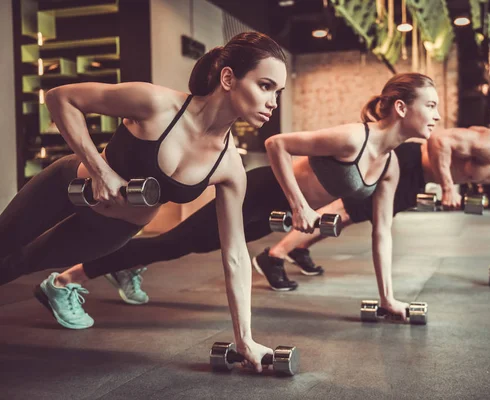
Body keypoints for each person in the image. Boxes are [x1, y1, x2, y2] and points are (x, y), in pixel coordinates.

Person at [50, 72, 441, 322]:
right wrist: (299, 204)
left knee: (185, 246)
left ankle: (123, 267)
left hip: (277, 212)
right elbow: (278, 143)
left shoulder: (389, 165)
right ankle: (66, 279)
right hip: (257, 192)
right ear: (402, 107)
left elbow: (383, 233)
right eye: (431, 106)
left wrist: (389, 298)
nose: (437, 116)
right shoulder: (354, 137)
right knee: (177, 243)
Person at [1, 32, 288, 372]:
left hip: (111, 229)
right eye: (265, 86)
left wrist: (245, 339)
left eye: (277, 92)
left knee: (18, 264)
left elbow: (236, 254)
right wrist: (99, 170)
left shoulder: (229, 167)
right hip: (66, 185)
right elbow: (60, 98)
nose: (273, 102)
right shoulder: (156, 104)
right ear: (228, 78)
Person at [262, 117, 490, 285]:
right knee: (346, 209)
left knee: (353, 214)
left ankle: (299, 248)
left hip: (419, 178)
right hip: (407, 162)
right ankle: (275, 255)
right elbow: (438, 140)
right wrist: (449, 187)